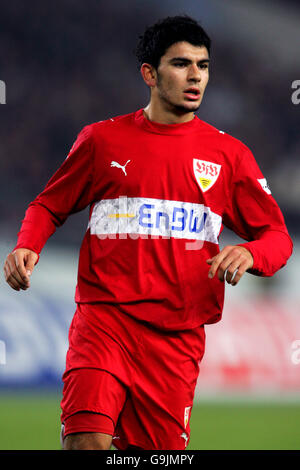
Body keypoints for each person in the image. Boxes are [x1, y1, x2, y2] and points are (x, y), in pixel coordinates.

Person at [3, 15, 293, 451]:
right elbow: (48, 204)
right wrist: (27, 245)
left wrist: (252, 253)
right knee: (86, 442)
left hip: (175, 340)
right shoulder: (102, 141)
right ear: (150, 74)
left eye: (204, 65)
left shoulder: (229, 155)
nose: (196, 75)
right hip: (105, 323)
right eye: (181, 64)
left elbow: (277, 236)